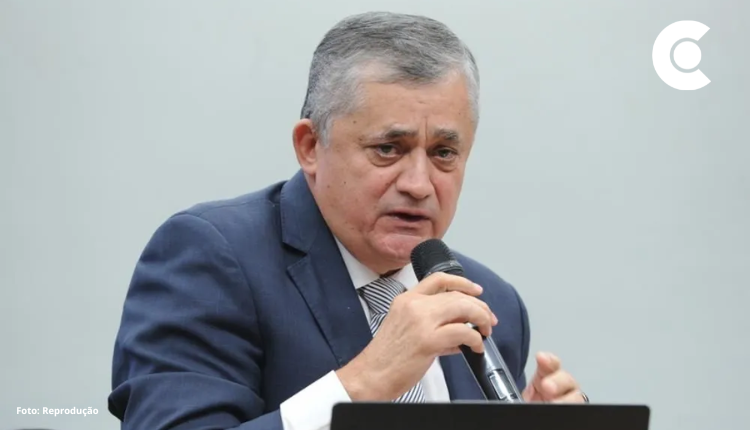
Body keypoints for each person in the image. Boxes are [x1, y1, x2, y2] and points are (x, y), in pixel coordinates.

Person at [108, 11, 588, 430]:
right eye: (388, 148)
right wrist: (364, 383)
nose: (419, 184)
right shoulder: (211, 258)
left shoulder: (491, 303)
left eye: (444, 153)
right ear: (310, 147)